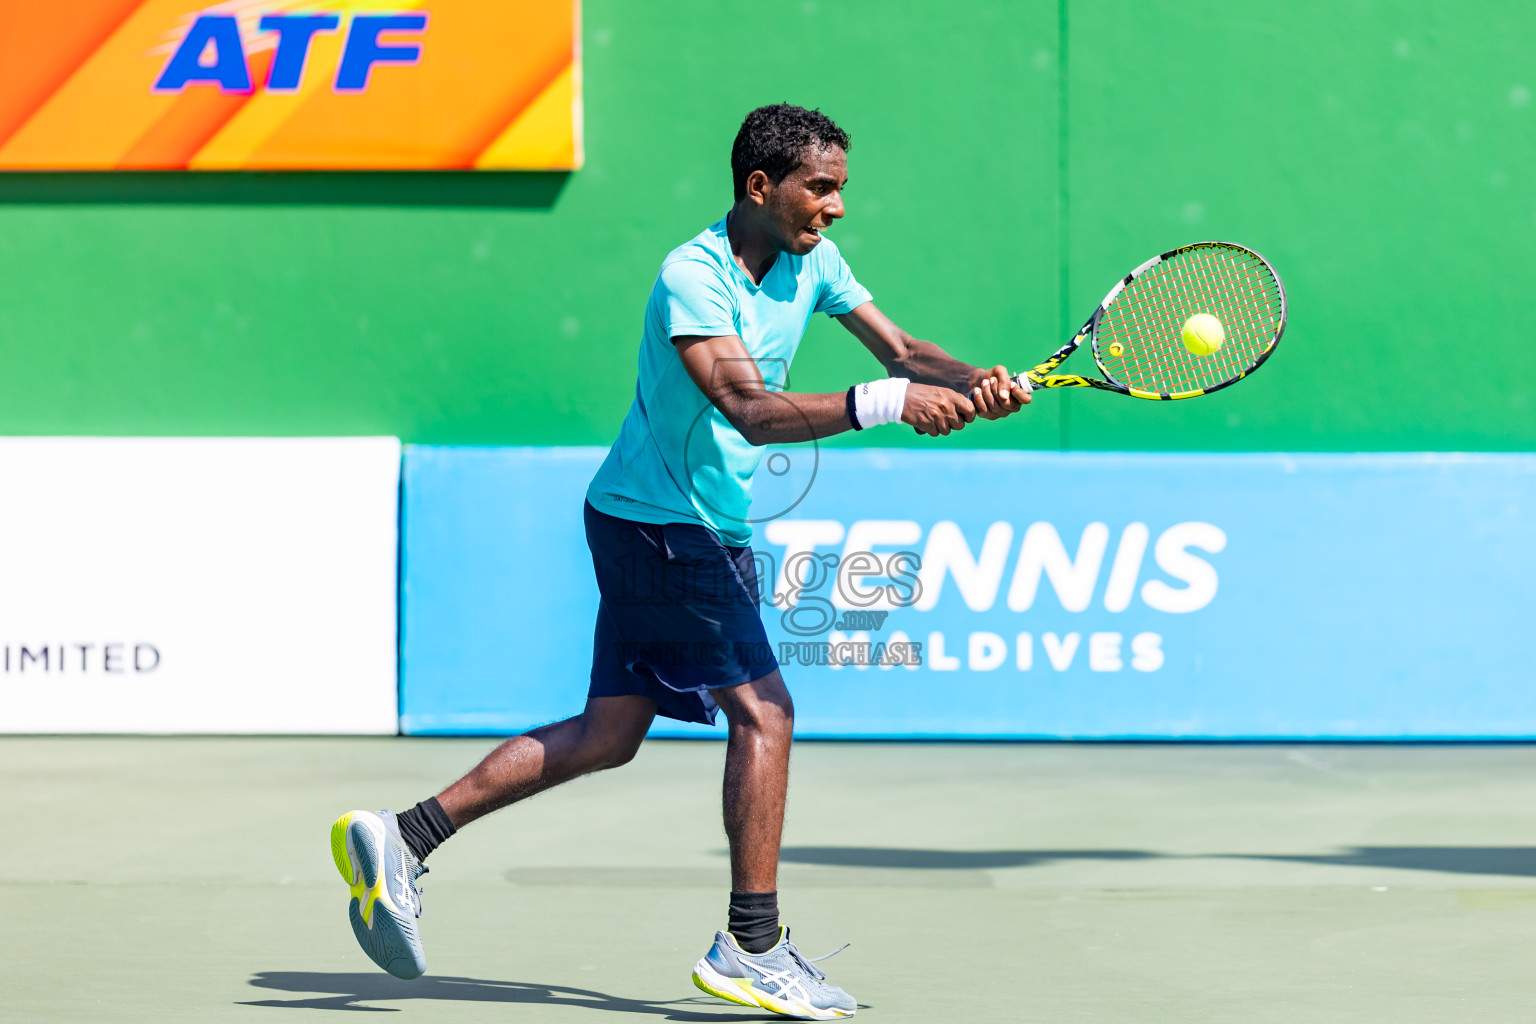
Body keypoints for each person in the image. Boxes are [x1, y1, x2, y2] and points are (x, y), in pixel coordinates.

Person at [329, 102, 1031, 1020]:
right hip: (663, 528)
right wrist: (889, 403)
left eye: (841, 188)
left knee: (608, 734)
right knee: (766, 714)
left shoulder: (813, 260)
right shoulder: (692, 277)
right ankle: (750, 944)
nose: (838, 207)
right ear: (760, 186)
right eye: (821, 188)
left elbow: (903, 348)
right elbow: (751, 408)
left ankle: (404, 836)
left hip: (688, 523)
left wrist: (972, 380)